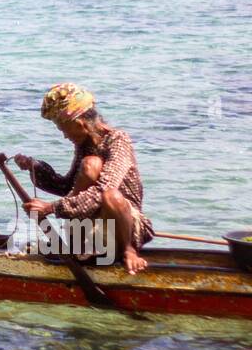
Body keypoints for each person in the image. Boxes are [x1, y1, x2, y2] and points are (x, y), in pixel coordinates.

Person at [12, 83, 153, 274]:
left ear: (80, 124)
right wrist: (34, 167)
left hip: (127, 228)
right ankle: (81, 245)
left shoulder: (118, 140)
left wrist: (51, 208)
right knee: (90, 164)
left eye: (63, 129)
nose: (64, 136)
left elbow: (103, 191)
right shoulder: (85, 146)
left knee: (109, 193)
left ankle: (129, 252)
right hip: (91, 230)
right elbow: (66, 187)